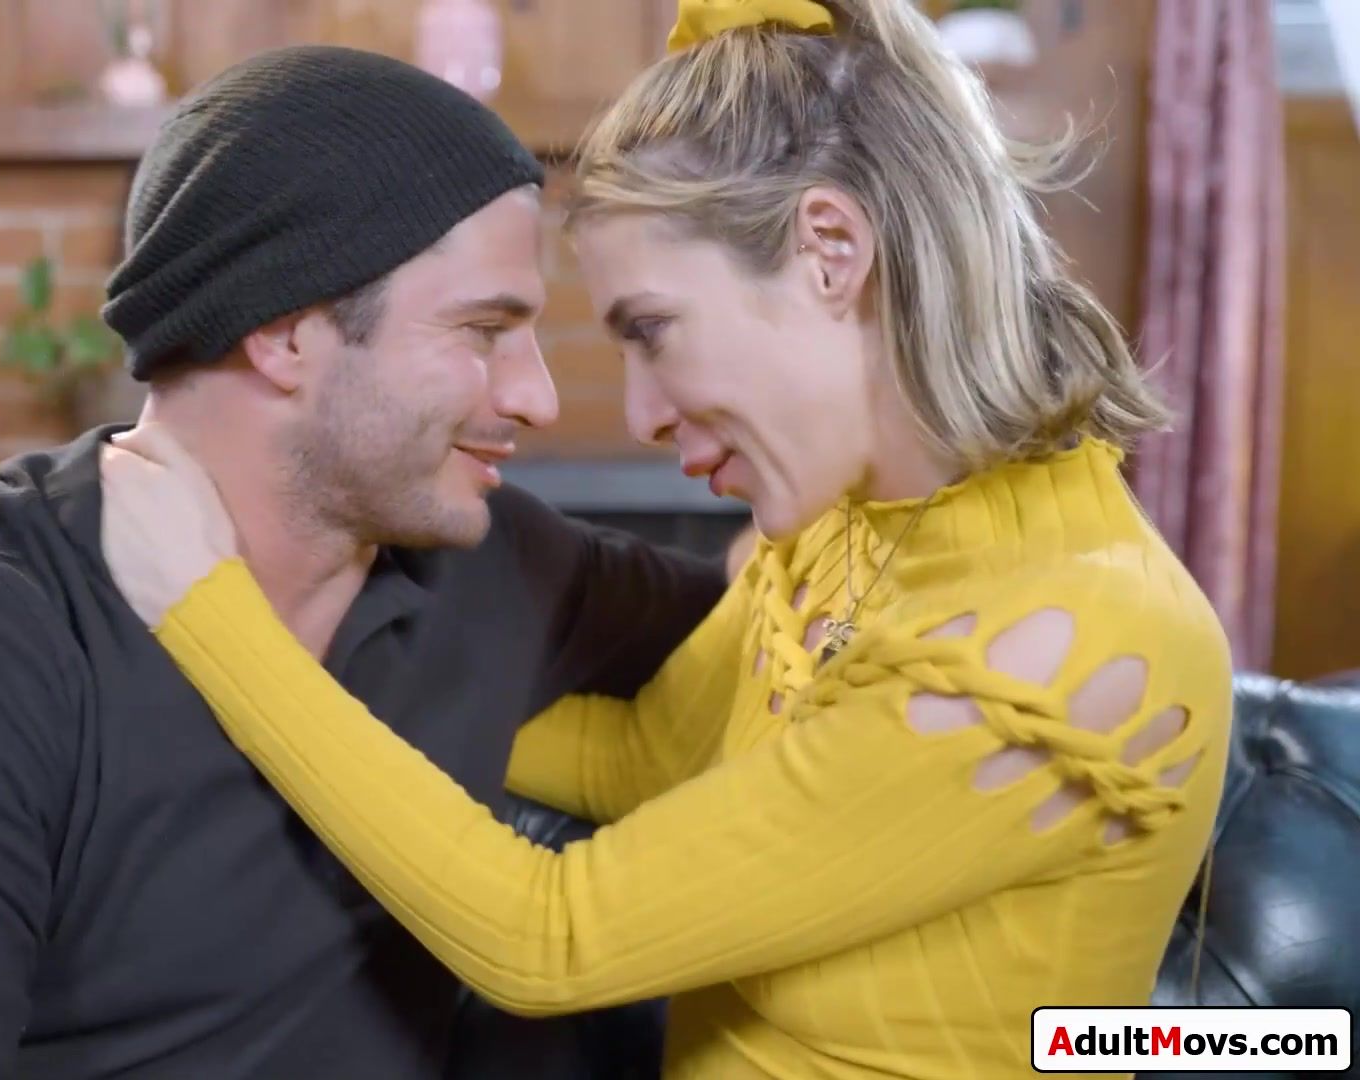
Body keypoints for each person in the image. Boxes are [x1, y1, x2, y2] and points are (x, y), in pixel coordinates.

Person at [98, 0, 1234, 1076]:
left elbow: (548, 941)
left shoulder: (1067, 640)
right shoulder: (845, 538)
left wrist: (206, 610)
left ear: (829, 250)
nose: (640, 411)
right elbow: (640, 756)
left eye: (652, 330)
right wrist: (320, 648)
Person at [0, 44, 734, 1079]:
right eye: (483, 331)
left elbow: (769, 624)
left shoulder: (498, 566)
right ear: (286, 334)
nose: (537, 397)